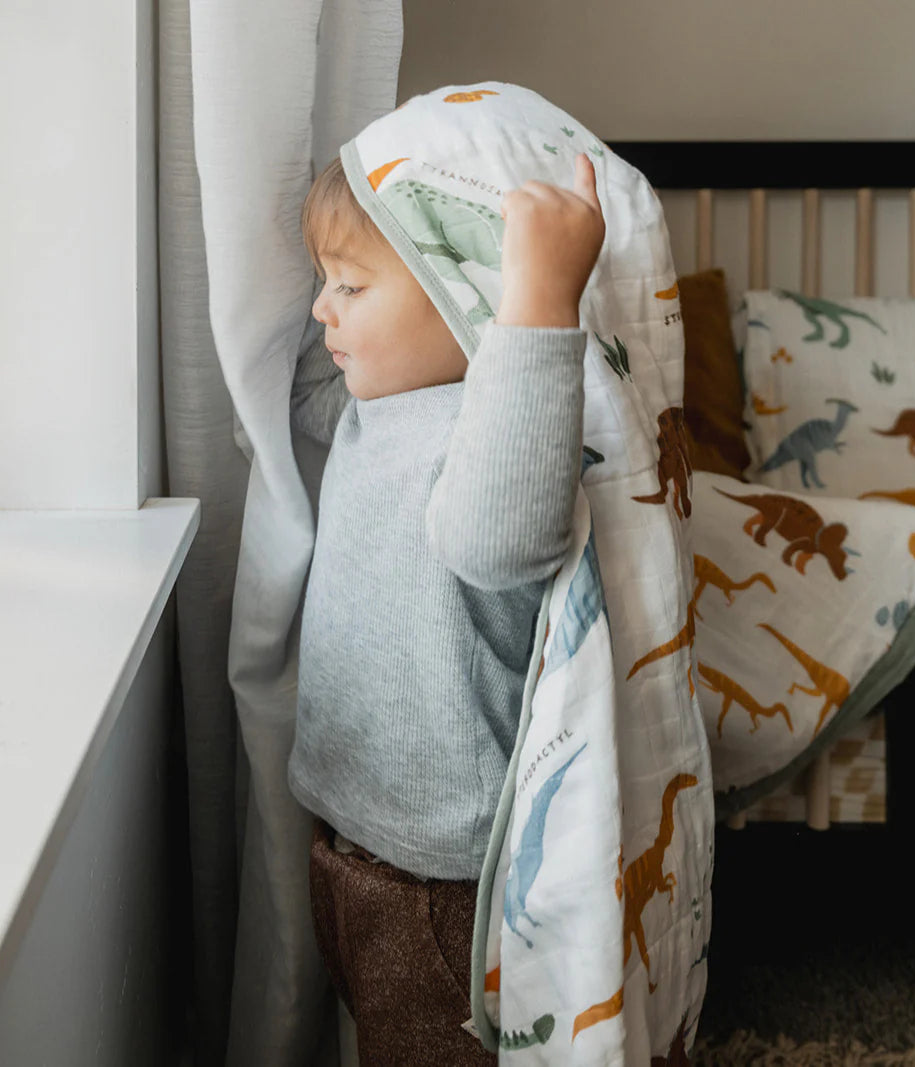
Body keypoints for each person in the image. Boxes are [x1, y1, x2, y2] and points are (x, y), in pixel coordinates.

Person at [286, 126, 605, 1064]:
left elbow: (498, 542)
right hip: (351, 838)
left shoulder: (499, 424)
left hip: (440, 876)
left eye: (349, 287)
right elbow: (296, 392)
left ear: (468, 286)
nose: (321, 308)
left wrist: (539, 301)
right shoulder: (373, 403)